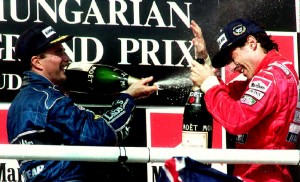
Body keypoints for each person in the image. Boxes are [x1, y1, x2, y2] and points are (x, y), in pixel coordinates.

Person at [7, 23, 158, 181]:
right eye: (59, 52)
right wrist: (128, 97)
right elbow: (100, 136)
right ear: (37, 62)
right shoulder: (49, 100)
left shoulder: (19, 103)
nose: (67, 58)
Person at [189, 19, 299, 182]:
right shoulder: (276, 73)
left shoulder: (271, 77)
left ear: (252, 43)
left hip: (261, 178)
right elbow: (224, 94)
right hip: (262, 176)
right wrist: (205, 61)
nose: (232, 67)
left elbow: (237, 119)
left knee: (179, 172)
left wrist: (208, 83)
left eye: (232, 57)